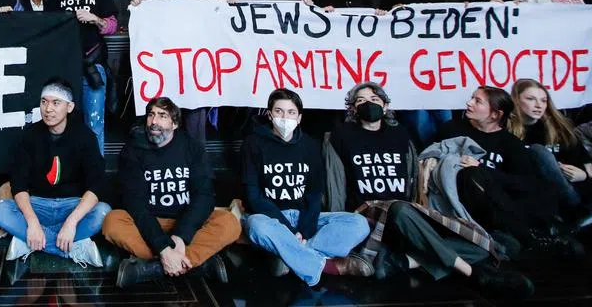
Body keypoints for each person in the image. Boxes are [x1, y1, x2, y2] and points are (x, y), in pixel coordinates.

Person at [324, 83, 532, 296]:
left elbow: (413, 182)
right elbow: (335, 185)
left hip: (407, 215)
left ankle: (401, 262)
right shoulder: (340, 135)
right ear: (352, 108)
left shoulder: (400, 135)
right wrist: (341, 226)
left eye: (375, 100)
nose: (368, 103)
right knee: (399, 209)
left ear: (385, 107)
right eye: (360, 101)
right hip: (368, 213)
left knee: (482, 244)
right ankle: (473, 273)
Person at [102, 96, 238, 287]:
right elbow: (135, 203)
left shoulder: (192, 147)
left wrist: (181, 236)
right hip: (148, 223)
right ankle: (196, 264)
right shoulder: (132, 150)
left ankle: (151, 268)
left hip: (186, 221)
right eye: (151, 115)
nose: (154, 122)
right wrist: (163, 247)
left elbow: (204, 196)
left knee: (230, 223)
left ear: (175, 124)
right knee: (111, 222)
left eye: (162, 116)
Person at [241, 88, 371, 285]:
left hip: (304, 216)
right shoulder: (253, 143)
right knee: (256, 225)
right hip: (271, 218)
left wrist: (305, 229)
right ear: (269, 114)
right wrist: (289, 229)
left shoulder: (310, 145)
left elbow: (313, 193)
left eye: (291, 112)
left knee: (358, 224)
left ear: (300, 117)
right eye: (279, 111)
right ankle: (326, 265)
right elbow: (254, 194)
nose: (285, 117)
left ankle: (291, 256)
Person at [436, 87, 574, 256]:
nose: (469, 103)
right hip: (458, 199)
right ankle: (526, 235)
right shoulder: (451, 129)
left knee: (544, 188)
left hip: (498, 201)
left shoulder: (510, 143)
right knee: (470, 175)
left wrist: (482, 169)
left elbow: (525, 182)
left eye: (477, 101)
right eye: (472, 98)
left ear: (495, 114)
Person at [0, 78, 109, 271]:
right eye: (44, 102)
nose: (48, 109)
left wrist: (71, 223)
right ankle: (72, 247)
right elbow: (18, 184)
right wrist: (32, 222)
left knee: (103, 212)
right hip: (39, 205)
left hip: (72, 206)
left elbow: (96, 185)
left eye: (56, 103)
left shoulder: (84, 136)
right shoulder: (30, 135)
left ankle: (31, 242)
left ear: (69, 107)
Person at [508, 79, 592, 231]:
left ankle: (582, 219)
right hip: (544, 192)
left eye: (543, 100)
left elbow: (589, 170)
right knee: (538, 150)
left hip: (577, 189)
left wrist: (583, 174)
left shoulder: (559, 127)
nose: (539, 105)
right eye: (531, 99)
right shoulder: (507, 130)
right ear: (516, 100)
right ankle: (585, 219)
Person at [130, 0, 222, 144]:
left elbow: (216, 31)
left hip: (193, 81)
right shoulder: (151, 5)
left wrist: (218, 6)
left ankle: (197, 170)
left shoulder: (198, 2)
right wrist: (137, 9)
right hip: (164, 81)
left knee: (196, 132)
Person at [45, 0, 118, 150]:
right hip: (64, 70)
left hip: (93, 68)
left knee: (94, 125)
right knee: (61, 126)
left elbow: (111, 27)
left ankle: (95, 179)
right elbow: (47, 30)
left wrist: (94, 18)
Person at [379, 0, 447, 145]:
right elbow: (381, 27)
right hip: (405, 64)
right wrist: (386, 14)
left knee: (444, 115)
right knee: (418, 119)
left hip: (434, 64)